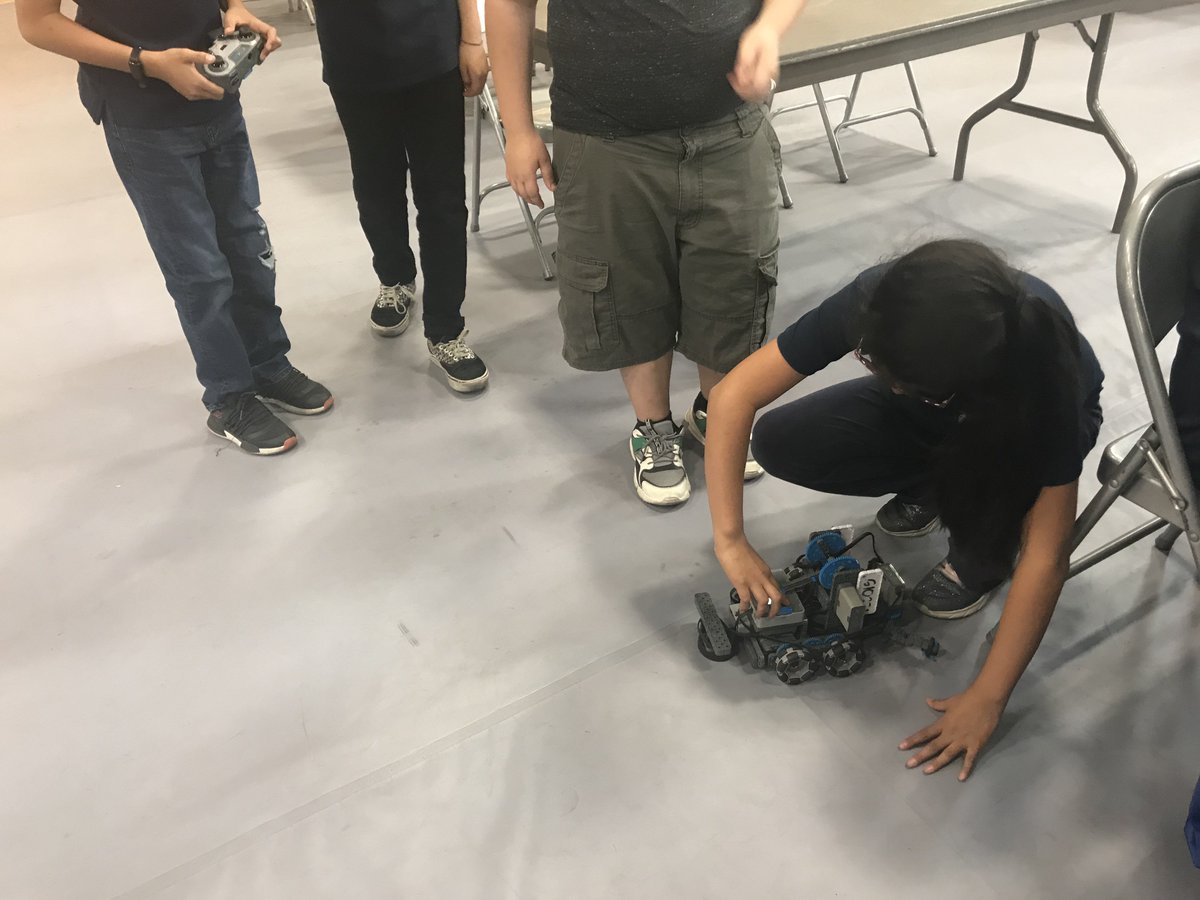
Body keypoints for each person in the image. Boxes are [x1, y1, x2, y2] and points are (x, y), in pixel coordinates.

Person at [704, 240, 1105, 780]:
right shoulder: (882, 300)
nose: (877, 373)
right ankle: (935, 484)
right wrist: (730, 538)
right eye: (874, 363)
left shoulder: (1039, 381)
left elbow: (1047, 556)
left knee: (987, 511)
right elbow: (734, 396)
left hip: (1015, 427)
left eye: (894, 376)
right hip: (945, 404)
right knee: (780, 439)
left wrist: (987, 696)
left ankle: (978, 549)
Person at [487, 0, 806, 506]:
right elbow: (509, 5)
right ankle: (653, 427)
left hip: (730, 129)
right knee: (625, 287)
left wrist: (768, 27)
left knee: (735, 281)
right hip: (604, 136)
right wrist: (519, 128)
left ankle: (717, 411)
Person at [16, 0, 333, 456]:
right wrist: (144, 62)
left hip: (216, 93)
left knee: (247, 245)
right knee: (199, 268)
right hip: (142, 115)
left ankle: (266, 362)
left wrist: (236, 9)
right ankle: (229, 397)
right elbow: (37, 23)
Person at [314, 0, 491, 394]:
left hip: (432, 51)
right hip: (352, 58)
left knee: (443, 198)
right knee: (375, 186)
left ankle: (445, 328)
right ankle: (395, 278)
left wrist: (471, 39)